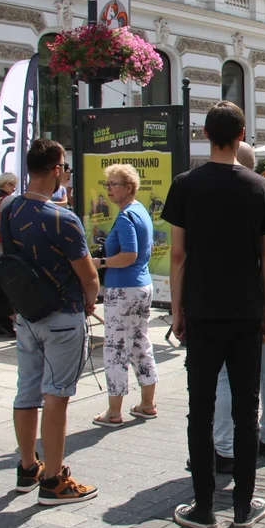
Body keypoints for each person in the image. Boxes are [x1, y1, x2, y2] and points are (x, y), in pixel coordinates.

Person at [164, 102, 265, 528]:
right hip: (247, 310)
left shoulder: (185, 185)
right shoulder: (261, 188)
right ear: (242, 132)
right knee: (247, 410)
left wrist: (177, 309)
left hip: (203, 310)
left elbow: (179, 254)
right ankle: (244, 506)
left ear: (205, 134)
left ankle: (204, 506)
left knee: (202, 408)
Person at [8, 139, 100, 505]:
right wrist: (90, 302)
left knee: (27, 389)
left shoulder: (12, 209)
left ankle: (28, 466)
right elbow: (89, 277)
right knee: (56, 395)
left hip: (27, 315)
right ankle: (53, 480)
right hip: (62, 314)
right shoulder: (63, 218)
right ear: (57, 169)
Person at [213, 142, 265, 472]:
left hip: (223, 296)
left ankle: (225, 448)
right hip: (259, 294)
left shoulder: (210, 191)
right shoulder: (264, 191)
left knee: (225, 377)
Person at [90, 164, 157, 428]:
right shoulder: (139, 211)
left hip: (124, 289)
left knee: (116, 347)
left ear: (128, 187)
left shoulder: (127, 216)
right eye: (107, 184)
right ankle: (147, 404)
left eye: (113, 184)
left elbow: (129, 255)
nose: (109, 189)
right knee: (140, 342)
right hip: (141, 286)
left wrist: (101, 262)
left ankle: (114, 412)